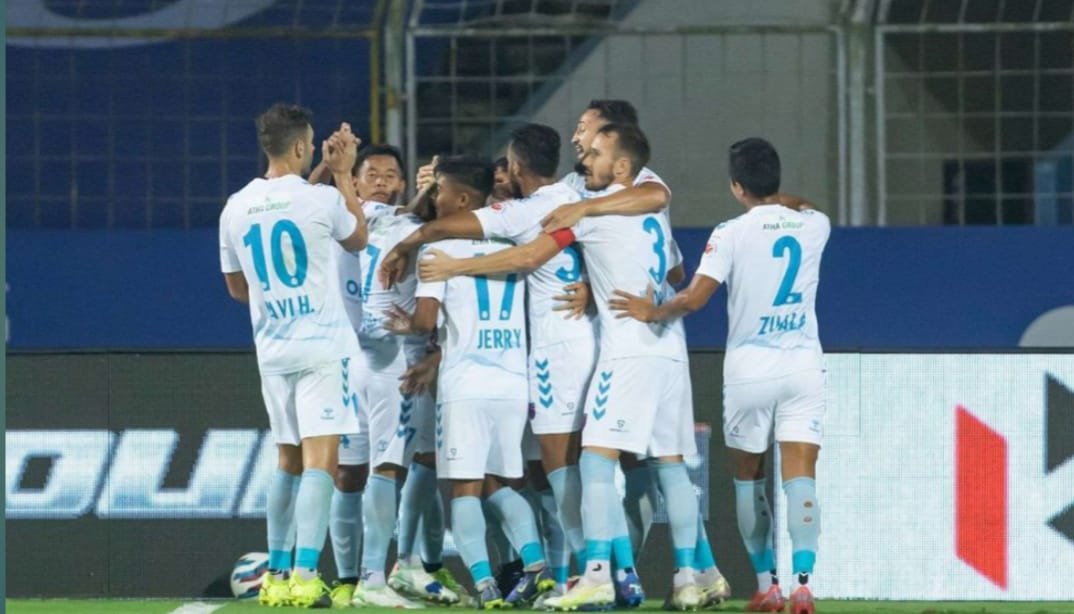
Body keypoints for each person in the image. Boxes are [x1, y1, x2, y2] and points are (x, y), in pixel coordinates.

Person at [413, 124, 707, 611]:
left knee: (567, 468)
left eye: (592, 145)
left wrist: (426, 248)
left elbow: (525, 253)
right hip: (608, 340)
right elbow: (660, 222)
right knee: (650, 464)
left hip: (560, 352)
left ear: (518, 164)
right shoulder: (611, 195)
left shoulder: (549, 207)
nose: (584, 152)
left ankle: (601, 574)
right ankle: (658, 572)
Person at [608, 137, 828, 614]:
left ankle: (768, 587)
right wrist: (774, 198)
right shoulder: (815, 224)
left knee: (748, 480)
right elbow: (800, 204)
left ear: (735, 186)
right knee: (801, 478)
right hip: (803, 366)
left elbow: (694, 297)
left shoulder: (730, 233)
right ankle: (804, 586)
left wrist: (652, 311)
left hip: (750, 370)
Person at [378, 125, 593, 603]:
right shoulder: (513, 247)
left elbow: (426, 320)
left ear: (460, 199)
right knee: (503, 484)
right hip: (514, 384)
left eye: (440, 191)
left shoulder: (440, 249)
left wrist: (404, 325)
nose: (434, 197)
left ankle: (486, 584)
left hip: (466, 383)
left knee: (465, 491)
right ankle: (538, 565)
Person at [219, 104, 366, 608]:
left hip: (273, 350)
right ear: (302, 147)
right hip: (323, 347)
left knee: (287, 461)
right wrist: (344, 173)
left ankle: (277, 576)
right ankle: (307, 573)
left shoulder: (236, 206)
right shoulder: (323, 199)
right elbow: (358, 237)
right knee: (320, 464)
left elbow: (237, 288)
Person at [332, 144, 458, 608]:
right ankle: (367, 578)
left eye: (391, 174)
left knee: (394, 463)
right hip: (382, 361)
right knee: (371, 469)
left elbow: (414, 218)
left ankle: (392, 567)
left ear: (402, 184)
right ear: (359, 182)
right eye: (371, 174)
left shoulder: (392, 223)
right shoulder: (371, 225)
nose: (382, 180)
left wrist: (429, 191)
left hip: (374, 358)